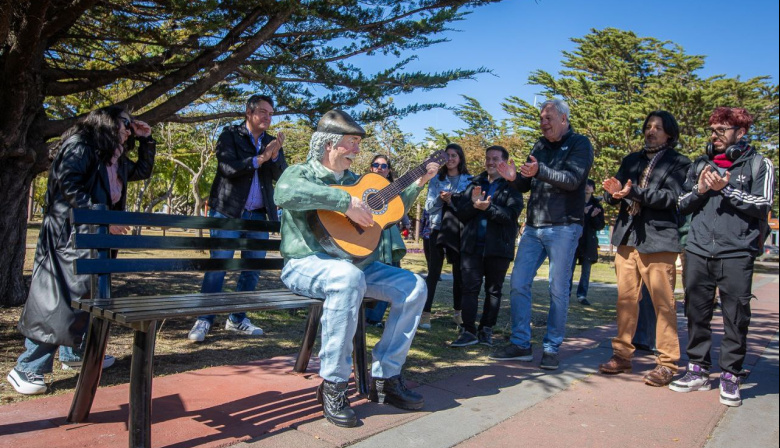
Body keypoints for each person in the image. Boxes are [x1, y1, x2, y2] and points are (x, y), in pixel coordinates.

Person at [273, 110, 439, 428]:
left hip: (354, 265)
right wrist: (342, 203)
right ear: (329, 145)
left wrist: (418, 182)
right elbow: (284, 193)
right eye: (351, 143)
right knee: (346, 278)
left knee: (415, 285)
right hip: (304, 263)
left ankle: (385, 377)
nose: (357, 151)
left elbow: (388, 207)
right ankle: (333, 386)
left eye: (357, 144)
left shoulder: (356, 182)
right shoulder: (301, 173)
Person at [9, 107, 156, 395]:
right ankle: (27, 367)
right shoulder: (81, 144)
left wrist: (147, 140)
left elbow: (142, 170)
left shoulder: (112, 154)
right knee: (58, 300)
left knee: (88, 295)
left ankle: (73, 354)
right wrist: (99, 218)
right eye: (125, 123)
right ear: (107, 121)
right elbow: (69, 184)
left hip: (94, 237)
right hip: (69, 235)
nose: (129, 129)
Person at [670, 107, 775, 407]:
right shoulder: (700, 164)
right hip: (699, 248)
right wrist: (702, 189)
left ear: (740, 133)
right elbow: (680, 203)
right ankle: (698, 369)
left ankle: (730, 374)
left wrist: (727, 189)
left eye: (721, 130)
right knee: (696, 312)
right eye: (712, 129)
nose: (714, 135)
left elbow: (763, 204)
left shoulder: (759, 164)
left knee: (736, 316)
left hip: (737, 251)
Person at [489, 98, 593, 371]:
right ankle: (521, 344)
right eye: (541, 118)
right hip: (534, 227)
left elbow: (572, 180)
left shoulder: (580, 144)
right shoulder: (539, 145)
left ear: (563, 119)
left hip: (564, 226)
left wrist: (541, 170)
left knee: (557, 289)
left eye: (548, 118)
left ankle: (551, 347)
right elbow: (527, 181)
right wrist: (514, 177)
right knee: (518, 282)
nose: (543, 122)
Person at [597, 110, 691, 387]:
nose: (651, 131)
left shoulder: (680, 163)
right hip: (628, 238)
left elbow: (671, 198)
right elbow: (615, 193)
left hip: (659, 239)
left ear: (669, 133)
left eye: (658, 128)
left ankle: (667, 363)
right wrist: (611, 193)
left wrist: (632, 192)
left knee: (664, 303)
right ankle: (622, 355)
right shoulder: (631, 160)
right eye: (648, 126)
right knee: (626, 300)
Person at [187, 94, 287, 342]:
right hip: (228, 211)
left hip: (258, 215)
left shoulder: (272, 142)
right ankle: (204, 318)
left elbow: (281, 176)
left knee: (252, 269)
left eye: (271, 113)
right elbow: (227, 168)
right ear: (249, 112)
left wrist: (274, 157)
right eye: (263, 111)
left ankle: (237, 318)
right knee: (219, 266)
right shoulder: (230, 134)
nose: (268, 117)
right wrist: (259, 158)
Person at [449, 145, 523, 347]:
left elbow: (510, 216)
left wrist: (489, 207)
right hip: (472, 247)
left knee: (493, 291)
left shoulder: (512, 187)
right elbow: (461, 213)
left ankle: (486, 331)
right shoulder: (474, 183)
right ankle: (468, 331)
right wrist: (473, 204)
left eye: (495, 159)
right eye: (488, 158)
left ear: (505, 163)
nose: (490, 162)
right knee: (469, 289)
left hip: (498, 248)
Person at [423, 143, 472, 329]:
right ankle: (426, 314)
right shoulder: (436, 179)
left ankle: (458, 313)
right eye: (447, 155)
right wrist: (439, 199)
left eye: (454, 155)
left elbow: (468, 207)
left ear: (460, 158)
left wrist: (453, 200)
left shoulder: (469, 180)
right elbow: (428, 207)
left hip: (458, 231)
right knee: (433, 272)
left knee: (458, 272)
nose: (450, 159)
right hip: (437, 228)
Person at [364, 154, 407, 327]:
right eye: (376, 165)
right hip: (370, 235)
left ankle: (375, 318)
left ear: (388, 170)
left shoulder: (394, 188)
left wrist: (405, 219)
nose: (380, 168)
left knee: (392, 272)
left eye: (384, 166)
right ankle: (366, 315)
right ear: (371, 168)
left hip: (390, 236)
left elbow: (401, 207)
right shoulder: (363, 184)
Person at [569, 179, 605, 305]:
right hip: (574, 241)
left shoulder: (597, 206)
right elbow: (569, 220)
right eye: (585, 185)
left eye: (590, 185)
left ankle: (582, 295)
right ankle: (566, 293)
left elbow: (600, 226)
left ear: (593, 189)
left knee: (586, 271)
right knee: (569, 269)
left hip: (589, 242)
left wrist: (594, 216)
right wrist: (582, 214)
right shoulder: (575, 203)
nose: (587, 187)